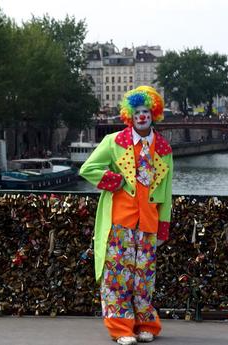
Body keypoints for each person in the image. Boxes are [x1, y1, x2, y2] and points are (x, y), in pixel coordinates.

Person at [79, 86, 173, 345]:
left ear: (154, 113)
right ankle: (121, 328)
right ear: (129, 115)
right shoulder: (113, 142)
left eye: (146, 111)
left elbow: (166, 193)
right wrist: (115, 181)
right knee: (117, 276)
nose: (142, 116)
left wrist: (164, 226)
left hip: (149, 224)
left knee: (144, 278)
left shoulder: (164, 149)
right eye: (137, 112)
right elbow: (88, 168)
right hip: (119, 221)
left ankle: (146, 324)